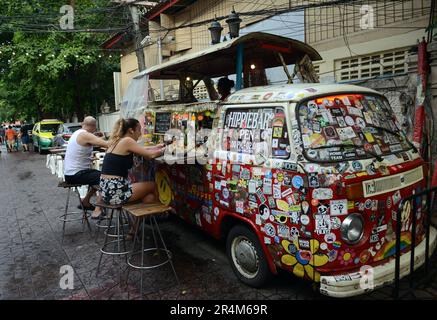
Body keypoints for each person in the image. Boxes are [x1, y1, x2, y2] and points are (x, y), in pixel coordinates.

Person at [99, 118, 165, 234]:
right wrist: (167, 149)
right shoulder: (127, 141)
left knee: (148, 198)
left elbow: (142, 150)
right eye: (139, 130)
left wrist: (157, 147)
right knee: (153, 185)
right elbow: (150, 155)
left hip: (106, 191)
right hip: (115, 191)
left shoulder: (118, 140)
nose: (141, 133)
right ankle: (162, 213)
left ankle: (134, 230)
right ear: (131, 130)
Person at [64, 116, 109, 217]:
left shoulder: (77, 133)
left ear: (82, 124)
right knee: (106, 177)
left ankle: (86, 201)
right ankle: (98, 209)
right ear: (94, 126)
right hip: (76, 175)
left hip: (70, 174)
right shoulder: (85, 135)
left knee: (97, 175)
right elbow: (107, 144)